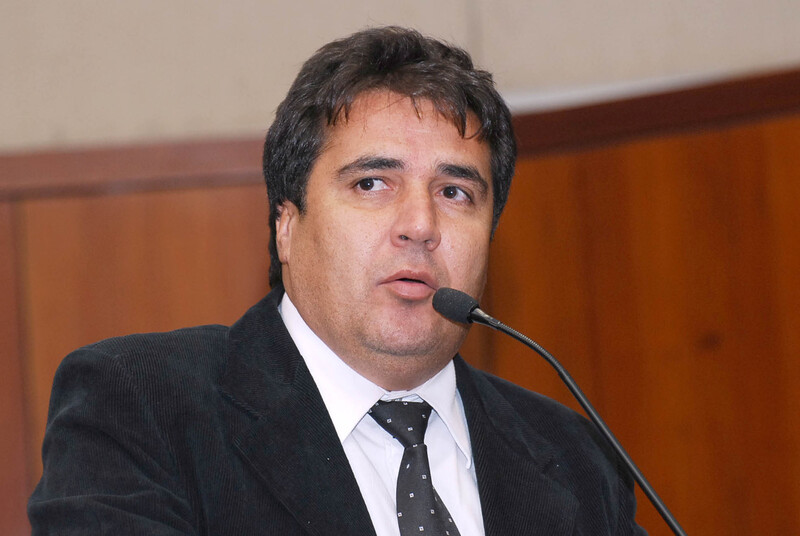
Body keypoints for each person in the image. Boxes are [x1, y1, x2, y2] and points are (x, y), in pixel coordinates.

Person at [29, 27, 645, 535]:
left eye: (455, 192)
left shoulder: (577, 460)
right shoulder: (141, 406)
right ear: (286, 226)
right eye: (371, 183)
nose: (420, 225)